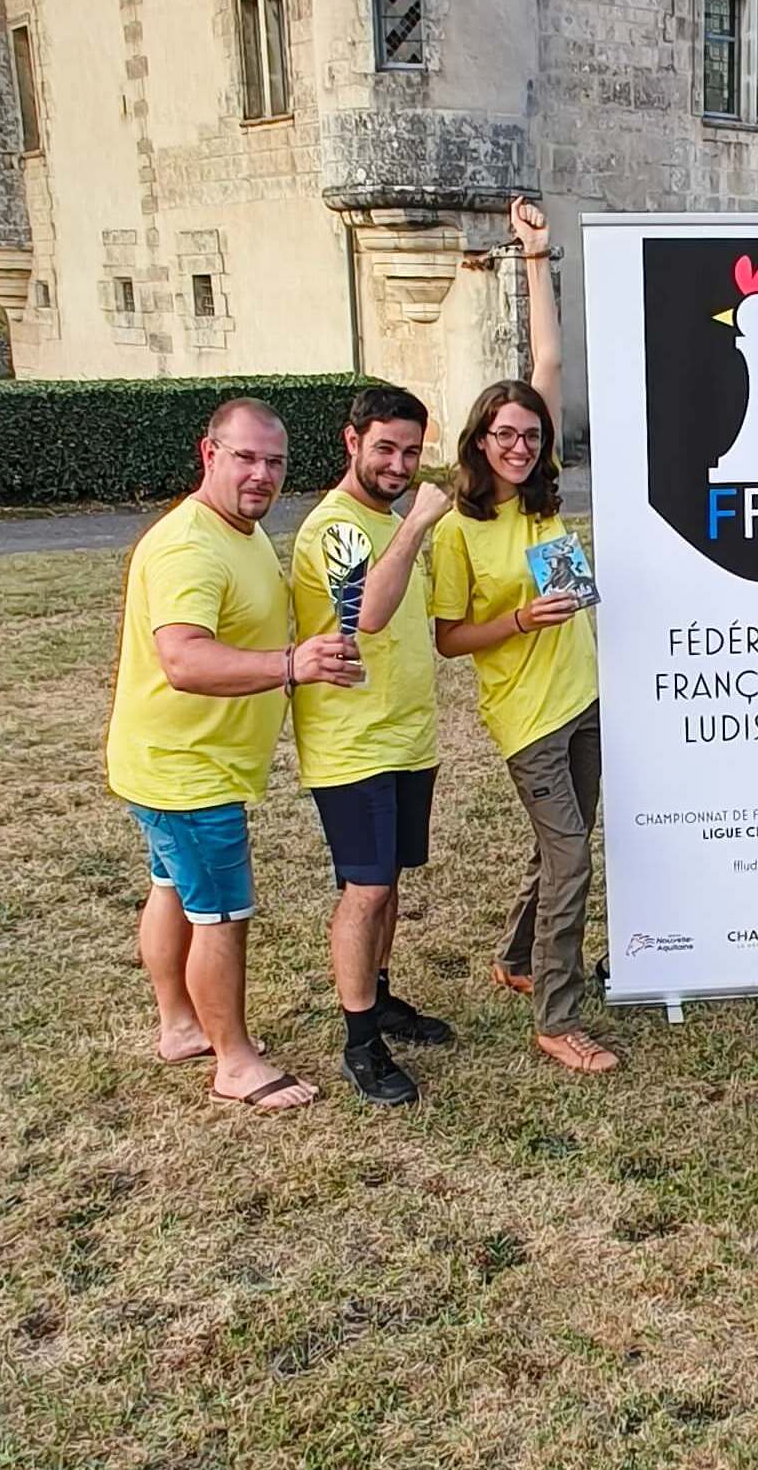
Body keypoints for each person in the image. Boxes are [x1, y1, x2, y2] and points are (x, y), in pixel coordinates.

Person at [105, 397, 361, 1113]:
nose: (261, 474)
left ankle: (180, 1025)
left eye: (274, 462)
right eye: (245, 457)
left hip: (166, 758)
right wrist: (291, 664)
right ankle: (235, 1060)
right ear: (209, 452)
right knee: (221, 911)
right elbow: (184, 659)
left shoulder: (233, 530)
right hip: (188, 768)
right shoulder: (189, 546)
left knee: (172, 889)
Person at [432, 200, 618, 1075]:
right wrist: (518, 620)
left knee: (567, 837)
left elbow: (547, 359)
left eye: (530, 434)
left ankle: (515, 957)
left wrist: (536, 256)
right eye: (504, 434)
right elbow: (448, 637)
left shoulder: (540, 492)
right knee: (572, 852)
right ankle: (556, 1011)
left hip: (584, 693)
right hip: (528, 716)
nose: (518, 444)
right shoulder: (460, 528)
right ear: (478, 440)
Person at [290, 384, 457, 1107]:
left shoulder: (382, 519)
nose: (398, 463)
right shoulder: (338, 526)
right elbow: (367, 614)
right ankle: (360, 1041)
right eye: (385, 447)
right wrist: (419, 522)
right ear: (350, 441)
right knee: (366, 887)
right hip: (352, 743)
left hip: (404, 737)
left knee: (388, 882)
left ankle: (380, 996)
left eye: (412, 451)